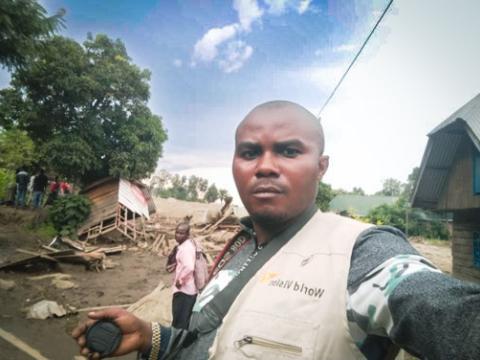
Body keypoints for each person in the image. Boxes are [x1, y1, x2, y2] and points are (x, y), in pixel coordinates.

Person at [73, 101, 480, 360]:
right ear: (234, 165)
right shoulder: (238, 246)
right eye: (250, 152)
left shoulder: (362, 254)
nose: (265, 165)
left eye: (288, 150)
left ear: (321, 167)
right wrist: (148, 336)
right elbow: (208, 343)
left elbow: (443, 311)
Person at [170, 222, 198, 330]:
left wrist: (180, 280)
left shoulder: (186, 248)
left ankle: (177, 342)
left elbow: (189, 267)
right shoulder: (184, 246)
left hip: (185, 290)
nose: (178, 235)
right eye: (177, 232)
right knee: (182, 318)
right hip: (187, 290)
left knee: (180, 319)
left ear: (187, 234)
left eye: (182, 233)